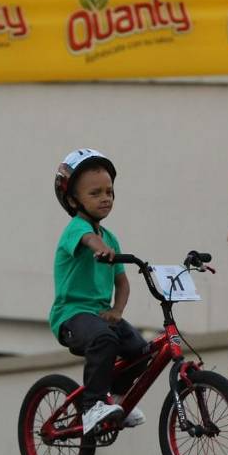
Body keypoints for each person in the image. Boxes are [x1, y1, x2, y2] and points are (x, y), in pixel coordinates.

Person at [50, 148, 147, 435]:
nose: (106, 198)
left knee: (140, 349)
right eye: (95, 193)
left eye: (110, 191)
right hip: (71, 315)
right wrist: (99, 249)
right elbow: (88, 238)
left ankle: (116, 399)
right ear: (72, 199)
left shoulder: (111, 238)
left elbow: (122, 283)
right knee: (104, 338)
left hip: (100, 315)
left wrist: (117, 311)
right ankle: (92, 405)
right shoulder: (75, 229)